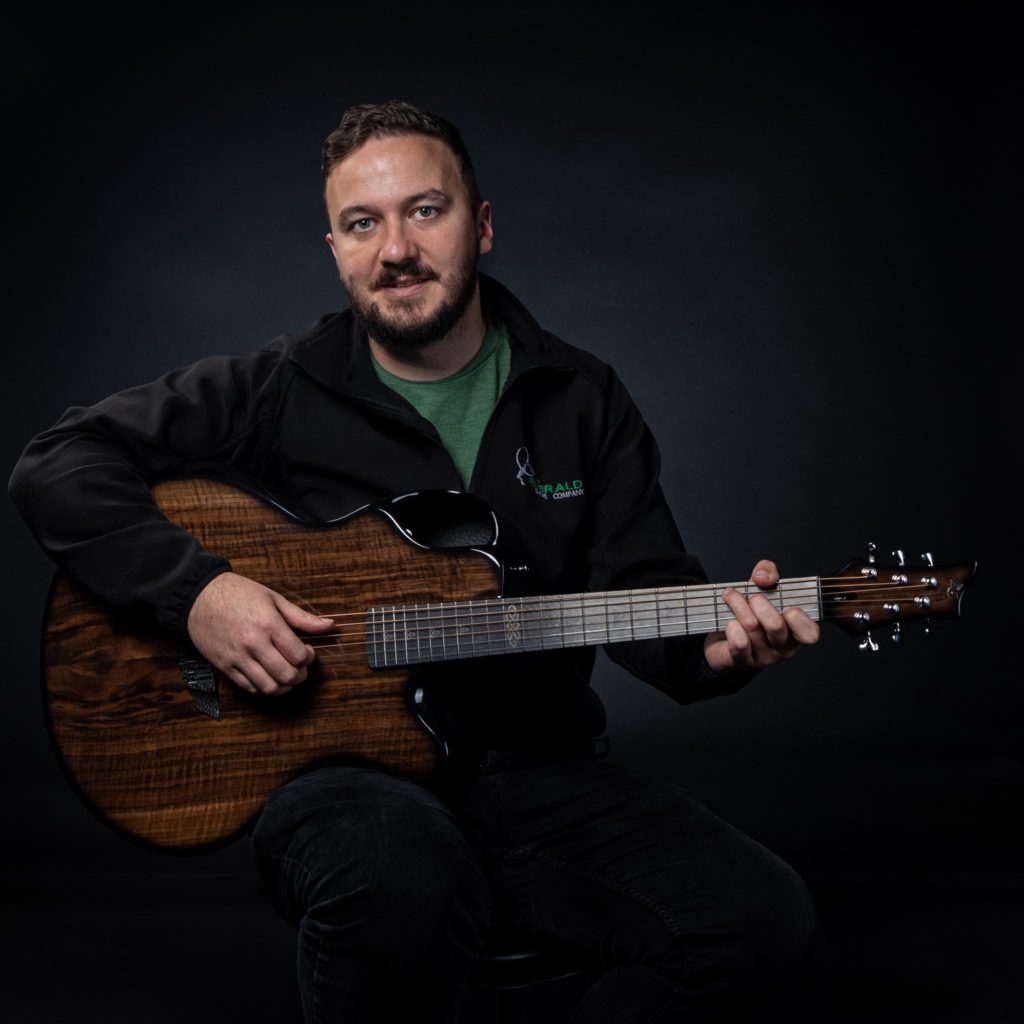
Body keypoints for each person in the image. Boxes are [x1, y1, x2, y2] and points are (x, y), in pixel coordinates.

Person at [10, 100, 820, 1022]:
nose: (396, 248)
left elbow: (637, 585)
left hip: (543, 776)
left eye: (425, 211)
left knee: (760, 922)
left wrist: (716, 651)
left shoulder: (580, 394)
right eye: (364, 223)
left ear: (480, 224)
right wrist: (199, 594)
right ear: (336, 247)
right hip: (343, 788)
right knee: (404, 878)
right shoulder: (279, 387)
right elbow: (58, 465)